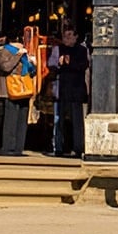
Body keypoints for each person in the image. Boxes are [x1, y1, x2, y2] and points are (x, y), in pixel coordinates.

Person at [47, 26, 89, 157]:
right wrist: (59, 64)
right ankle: (59, 147)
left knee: (77, 120)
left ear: (76, 37)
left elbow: (84, 65)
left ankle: (78, 147)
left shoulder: (82, 50)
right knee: (58, 120)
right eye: (65, 36)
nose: (67, 39)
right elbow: (51, 64)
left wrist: (69, 63)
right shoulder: (57, 49)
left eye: (70, 35)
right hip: (61, 88)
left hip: (76, 89)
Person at [0, 27, 36, 156]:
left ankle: (19, 147)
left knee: (22, 119)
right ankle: (8, 147)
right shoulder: (4, 52)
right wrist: (18, 55)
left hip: (24, 88)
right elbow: (5, 67)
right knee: (10, 118)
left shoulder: (24, 53)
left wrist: (32, 63)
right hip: (9, 89)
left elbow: (31, 71)